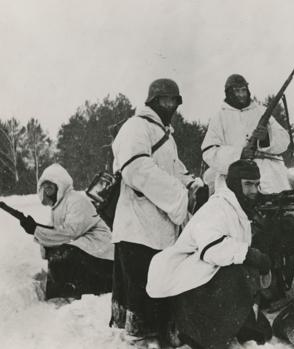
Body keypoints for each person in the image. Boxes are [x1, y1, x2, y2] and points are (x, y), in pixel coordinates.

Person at [109, 78, 202, 348]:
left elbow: (175, 169)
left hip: (159, 225)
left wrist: (193, 184)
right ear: (153, 101)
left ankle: (158, 333)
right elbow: (137, 169)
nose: (170, 105)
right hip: (138, 224)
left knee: (159, 284)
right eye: (165, 100)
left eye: (174, 101)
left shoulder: (165, 134)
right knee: (141, 290)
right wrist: (178, 196)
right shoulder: (135, 127)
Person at [146, 160, 273, 349]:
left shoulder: (236, 205)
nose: (254, 190)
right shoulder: (218, 207)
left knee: (244, 268)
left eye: (256, 184)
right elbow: (211, 249)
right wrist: (252, 255)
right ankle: (197, 334)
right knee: (241, 271)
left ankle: (238, 326)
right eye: (248, 184)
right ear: (235, 184)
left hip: (201, 275)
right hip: (185, 281)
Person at [19, 163, 114, 300]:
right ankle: (59, 294)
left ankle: (84, 291)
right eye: (44, 186)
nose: (47, 189)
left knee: (63, 254)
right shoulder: (58, 207)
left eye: (50, 185)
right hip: (90, 252)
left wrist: (36, 230)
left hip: (103, 255)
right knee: (57, 254)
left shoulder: (76, 200)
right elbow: (54, 235)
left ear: (60, 185)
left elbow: (69, 232)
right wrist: (33, 229)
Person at [201, 74, 291, 194]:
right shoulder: (220, 117)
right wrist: (239, 154)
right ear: (228, 93)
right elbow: (209, 152)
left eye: (244, 90)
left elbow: (284, 140)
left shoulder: (261, 111)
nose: (241, 95)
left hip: (270, 174)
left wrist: (266, 139)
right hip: (235, 174)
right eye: (237, 91)